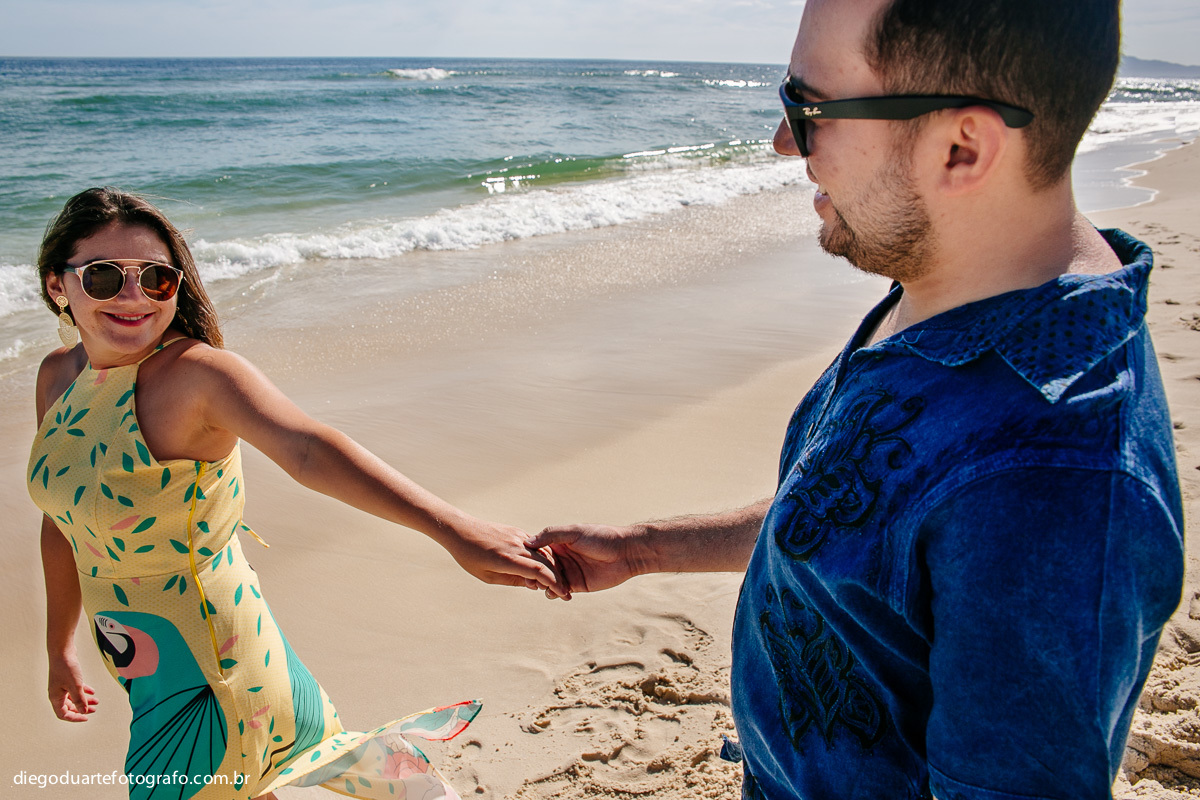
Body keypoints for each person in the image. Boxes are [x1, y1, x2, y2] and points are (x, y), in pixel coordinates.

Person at [530, 0, 1185, 797]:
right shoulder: (955, 294)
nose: (783, 143)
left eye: (809, 112)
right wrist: (646, 548)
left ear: (961, 147)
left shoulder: (1053, 483)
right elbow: (861, 513)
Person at [29, 187, 566, 799]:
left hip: (216, 660)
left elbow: (309, 450)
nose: (133, 296)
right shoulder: (58, 377)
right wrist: (59, 647)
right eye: (103, 276)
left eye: (155, 278)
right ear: (58, 285)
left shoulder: (198, 376)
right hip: (146, 662)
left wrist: (453, 529)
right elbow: (61, 522)